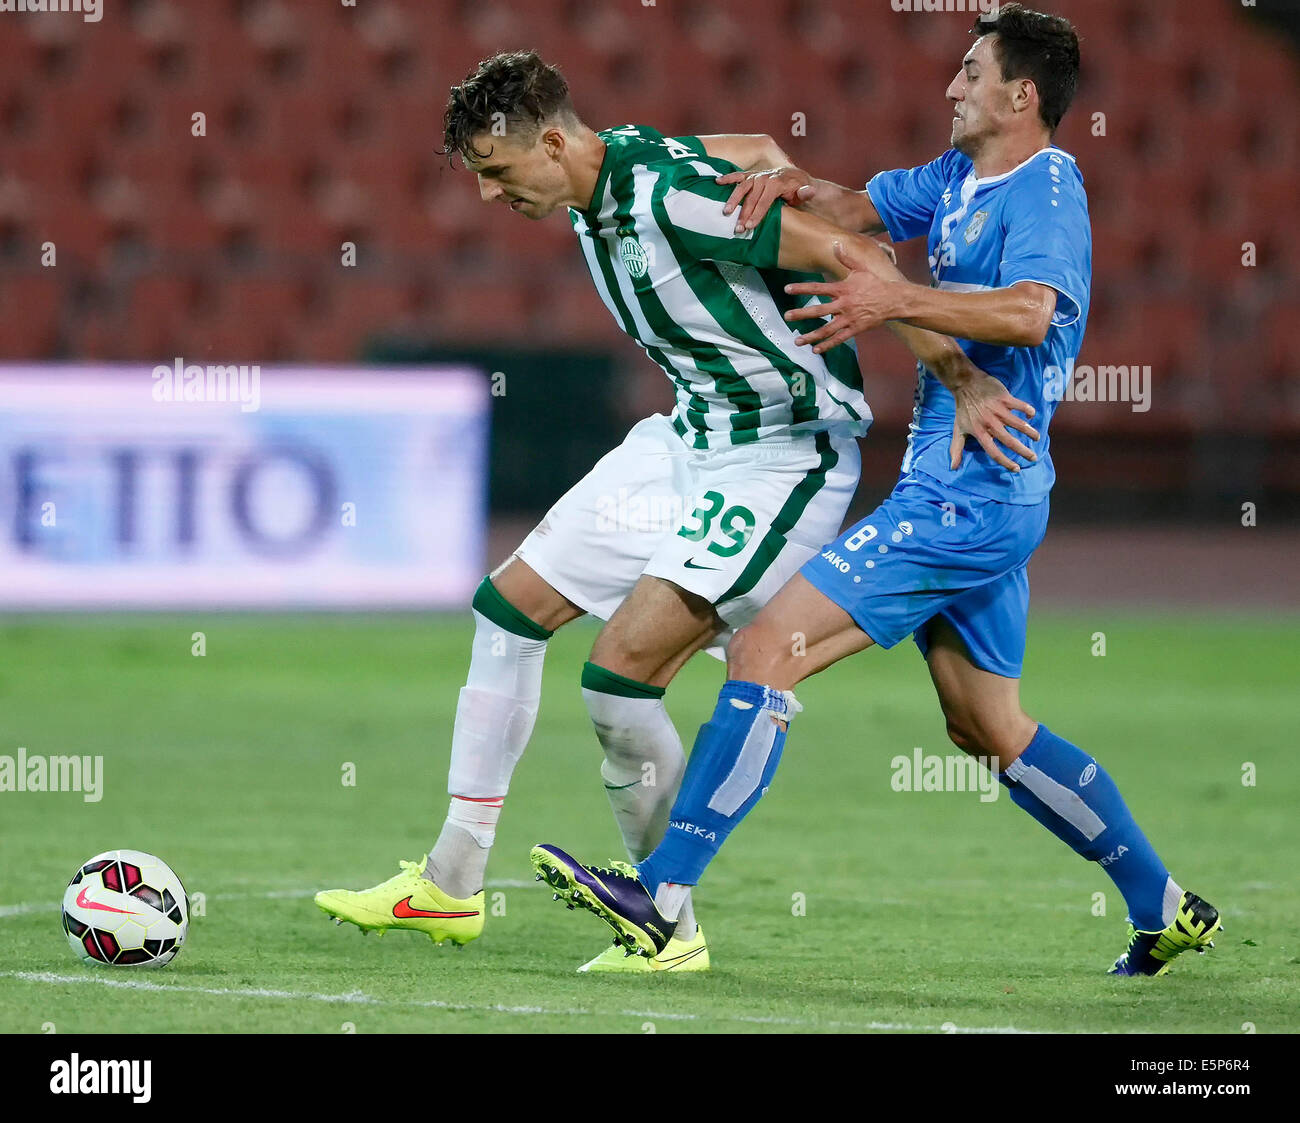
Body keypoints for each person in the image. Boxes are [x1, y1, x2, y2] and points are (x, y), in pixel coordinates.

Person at [531, 6, 1221, 978]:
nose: (951, 88)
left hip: (967, 498)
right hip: (977, 493)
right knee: (986, 726)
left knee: (766, 647)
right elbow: (857, 206)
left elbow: (1030, 312)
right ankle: (1163, 903)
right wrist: (791, 183)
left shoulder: (1046, 189)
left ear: (1022, 96)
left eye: (972, 74)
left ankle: (662, 899)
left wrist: (896, 299)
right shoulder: (957, 179)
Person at [315, 50, 1025, 973]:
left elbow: (862, 257)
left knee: (616, 682)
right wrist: (784, 175)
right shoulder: (618, 164)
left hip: (782, 457)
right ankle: (451, 884)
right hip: (688, 439)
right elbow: (760, 150)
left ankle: (667, 920)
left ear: (557, 142)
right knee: (505, 611)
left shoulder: (666, 199)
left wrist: (963, 378)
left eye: (497, 172)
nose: (491, 196)